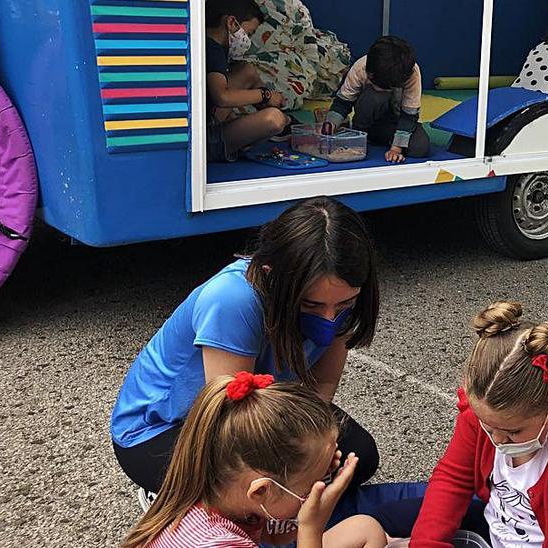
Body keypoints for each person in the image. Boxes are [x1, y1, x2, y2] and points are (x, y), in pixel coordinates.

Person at [111, 197, 382, 503]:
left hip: (265, 404)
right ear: (271, 274)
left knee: (358, 458)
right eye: (311, 305)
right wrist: (300, 468)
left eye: (344, 304)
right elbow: (231, 416)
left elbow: (322, 385)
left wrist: (314, 450)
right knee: (258, 489)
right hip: (167, 427)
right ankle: (166, 495)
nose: (330, 319)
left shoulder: (340, 296)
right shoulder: (232, 300)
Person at [398, 301, 548, 547]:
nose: (498, 440)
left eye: (513, 432)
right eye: (488, 428)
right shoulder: (484, 410)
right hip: (504, 532)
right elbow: (453, 479)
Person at [121, 375, 388, 548]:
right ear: (261, 490)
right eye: (308, 490)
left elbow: (272, 535)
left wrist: (313, 486)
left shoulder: (221, 493)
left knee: (363, 528)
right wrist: (311, 526)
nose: (316, 490)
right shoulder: (215, 543)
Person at [205, 0, 292, 162]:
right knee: (274, 119)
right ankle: (276, 118)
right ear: (231, 23)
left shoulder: (209, 45)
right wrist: (264, 95)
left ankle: (272, 110)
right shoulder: (213, 50)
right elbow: (222, 97)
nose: (248, 40)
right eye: (249, 34)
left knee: (247, 70)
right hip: (204, 141)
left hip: (208, 120)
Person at [327, 36, 431, 163]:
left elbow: (409, 115)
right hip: (367, 118)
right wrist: (330, 124)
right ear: (370, 73)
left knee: (420, 148)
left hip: (394, 121)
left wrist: (396, 149)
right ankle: (360, 134)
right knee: (375, 96)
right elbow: (343, 103)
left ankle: (380, 138)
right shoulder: (361, 67)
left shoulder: (411, 72)